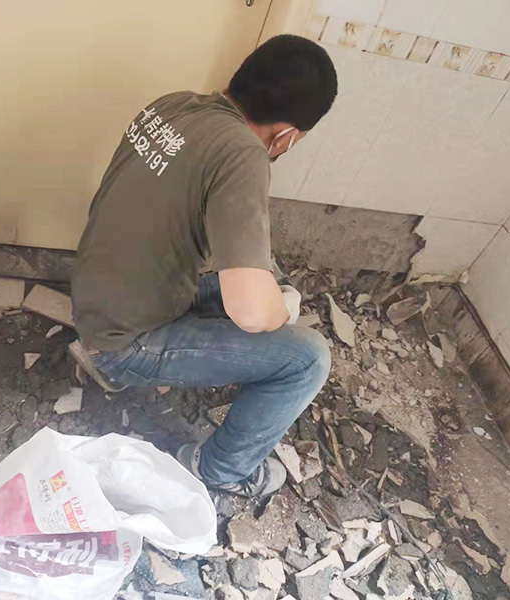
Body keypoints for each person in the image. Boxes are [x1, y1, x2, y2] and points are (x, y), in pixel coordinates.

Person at [71, 35, 338, 497]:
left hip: (97, 296)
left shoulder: (174, 105)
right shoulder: (243, 153)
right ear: (287, 134)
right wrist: (281, 311)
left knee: (263, 279)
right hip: (124, 340)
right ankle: (216, 471)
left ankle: (111, 359)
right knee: (307, 359)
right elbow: (252, 313)